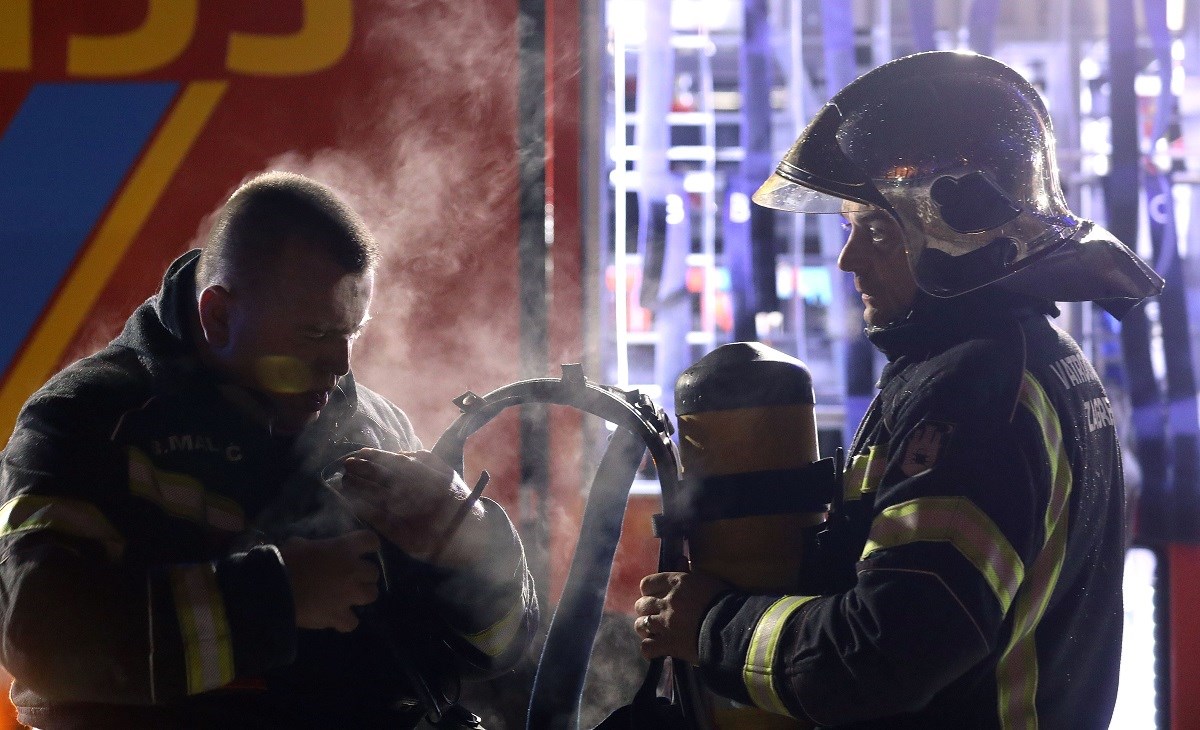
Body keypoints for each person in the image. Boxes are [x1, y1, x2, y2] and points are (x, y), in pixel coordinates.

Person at [633, 51, 1163, 727]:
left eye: (879, 231)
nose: (849, 259)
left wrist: (708, 624)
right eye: (851, 229)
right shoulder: (1022, 358)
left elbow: (881, 657)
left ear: (961, 234)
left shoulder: (974, 394)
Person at [0, 171, 538, 729]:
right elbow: (38, 636)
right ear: (219, 315)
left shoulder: (376, 429)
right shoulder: (87, 419)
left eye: (351, 333)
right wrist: (277, 599)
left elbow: (497, 652)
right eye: (312, 335)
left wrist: (466, 540)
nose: (340, 365)